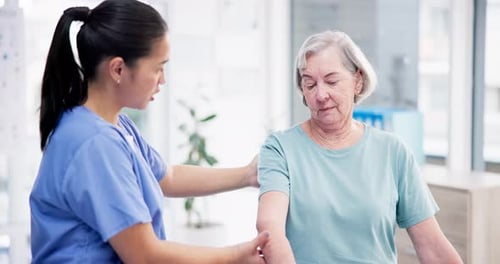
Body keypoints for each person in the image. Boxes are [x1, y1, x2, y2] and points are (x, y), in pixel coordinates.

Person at [29, 0, 269, 263]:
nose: (162, 80)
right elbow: (144, 254)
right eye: (157, 68)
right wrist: (235, 256)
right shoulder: (95, 143)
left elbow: (169, 177)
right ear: (118, 69)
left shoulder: (114, 125)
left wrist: (247, 175)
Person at [256, 30, 462, 263]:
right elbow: (269, 228)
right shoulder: (280, 148)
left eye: (332, 81)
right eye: (310, 84)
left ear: (358, 80)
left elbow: (431, 246)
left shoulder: (392, 151)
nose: (320, 94)